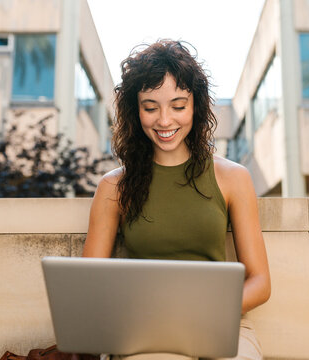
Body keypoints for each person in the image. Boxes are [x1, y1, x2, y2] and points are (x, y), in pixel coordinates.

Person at [82, 39, 271, 360]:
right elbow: (88, 285)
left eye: (178, 105)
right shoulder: (113, 187)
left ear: (196, 106)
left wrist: (202, 308)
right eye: (151, 107)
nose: (165, 120)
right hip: (146, 328)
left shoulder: (233, 178)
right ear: (134, 110)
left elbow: (261, 281)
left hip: (222, 321)